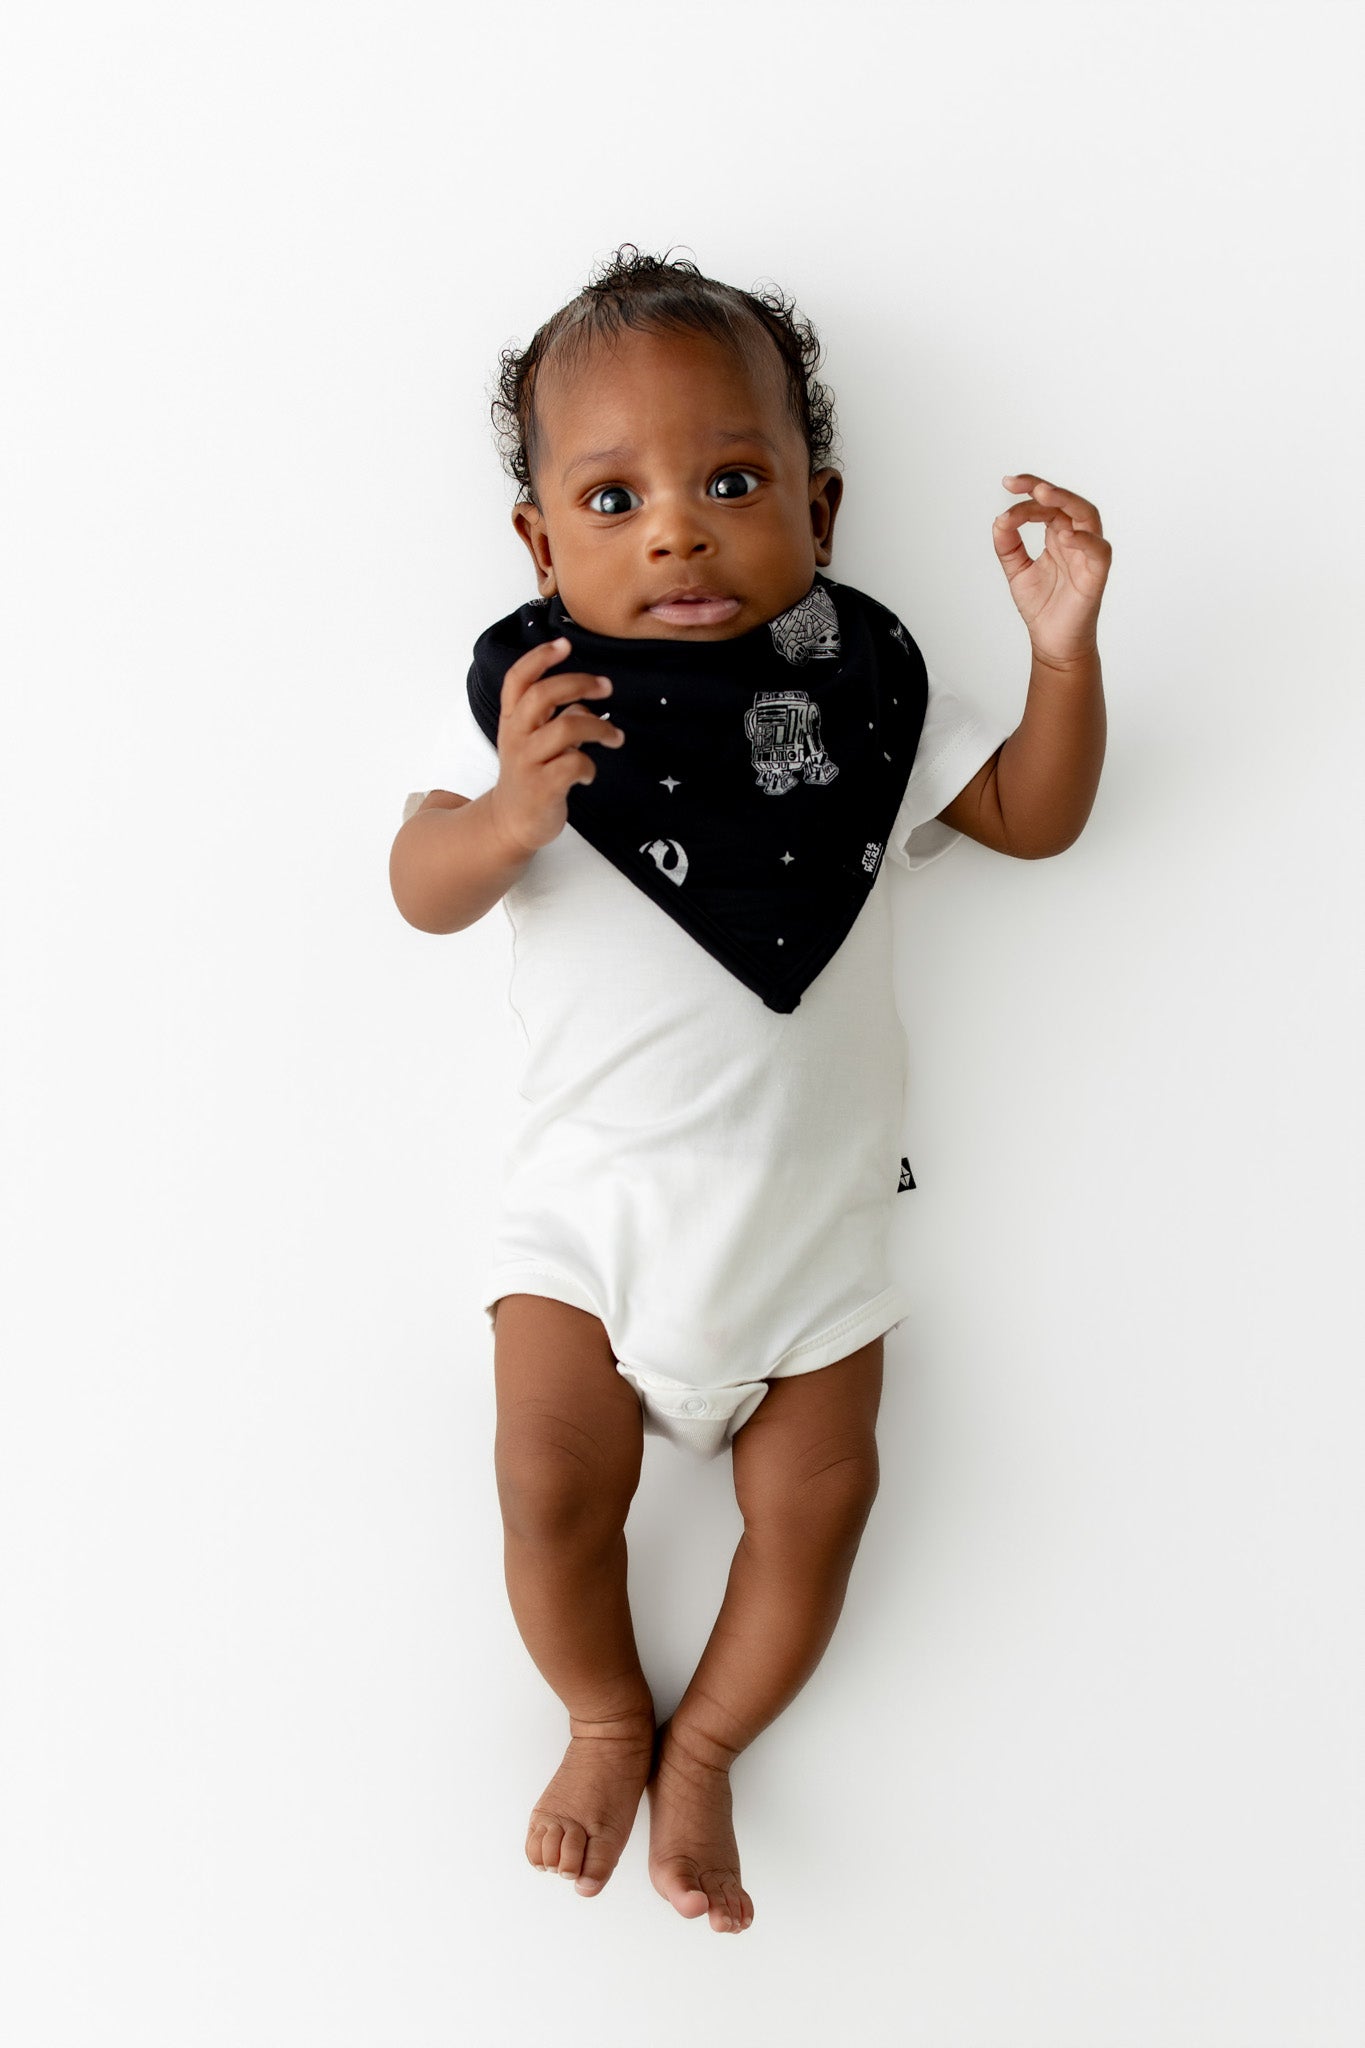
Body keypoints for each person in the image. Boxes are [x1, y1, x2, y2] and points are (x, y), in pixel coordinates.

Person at [389, 246, 1110, 1935]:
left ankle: (707, 1742)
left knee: (819, 1504)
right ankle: (601, 1715)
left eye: (731, 481)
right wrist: (500, 820)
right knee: (546, 1491)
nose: (678, 529)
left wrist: (1061, 658)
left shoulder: (847, 710)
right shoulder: (547, 732)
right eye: (615, 494)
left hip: (811, 1242)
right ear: (540, 544)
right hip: (590, 1228)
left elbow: (1029, 815)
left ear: (820, 504)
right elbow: (420, 879)